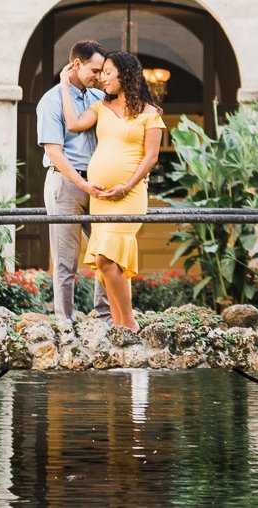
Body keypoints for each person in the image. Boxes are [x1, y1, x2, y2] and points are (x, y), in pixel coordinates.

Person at [59, 49, 165, 333]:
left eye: (108, 72)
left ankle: (129, 322)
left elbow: (151, 157)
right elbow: (72, 123)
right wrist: (63, 85)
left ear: (125, 75)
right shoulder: (100, 109)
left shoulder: (150, 113)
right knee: (107, 264)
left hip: (128, 196)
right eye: (101, 72)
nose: (102, 78)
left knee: (108, 258)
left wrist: (127, 185)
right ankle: (121, 326)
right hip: (101, 198)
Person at [36, 39, 112, 327]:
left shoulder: (98, 99)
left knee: (107, 251)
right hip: (66, 183)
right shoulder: (51, 100)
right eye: (94, 69)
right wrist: (82, 183)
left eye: (102, 70)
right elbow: (54, 151)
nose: (99, 76)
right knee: (66, 260)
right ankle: (65, 322)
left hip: (99, 185)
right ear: (76, 65)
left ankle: (103, 316)